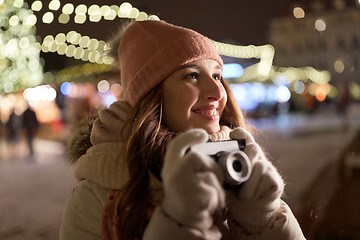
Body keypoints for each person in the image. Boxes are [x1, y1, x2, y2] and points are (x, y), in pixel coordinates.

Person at [60, 20, 305, 240]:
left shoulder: (239, 166)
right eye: (192, 75)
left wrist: (265, 221)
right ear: (150, 95)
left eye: (218, 76)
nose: (218, 93)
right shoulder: (93, 199)